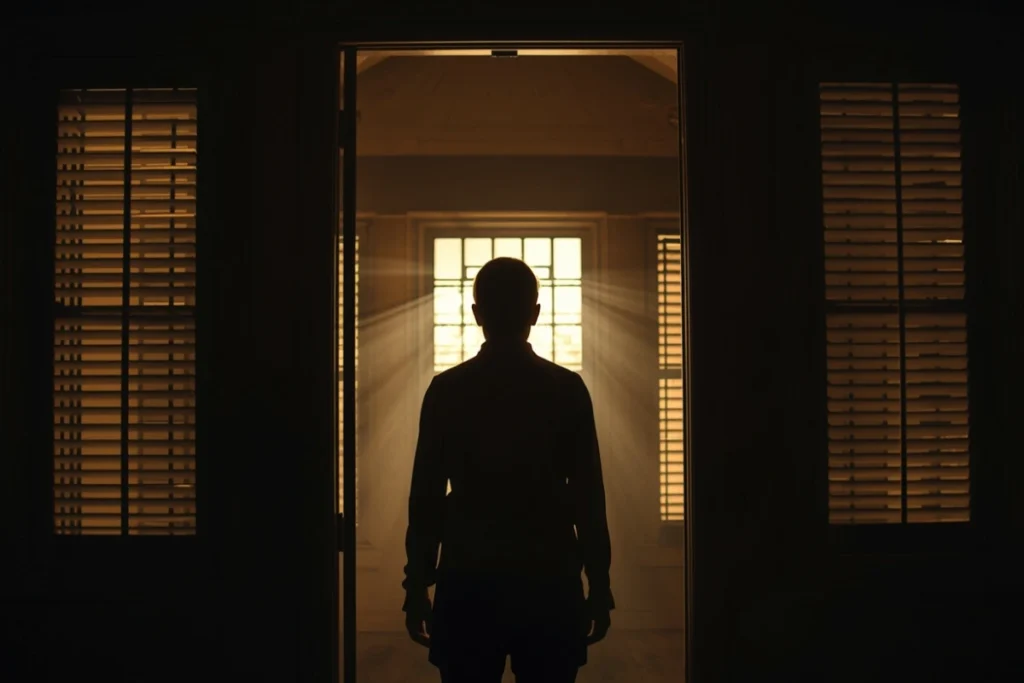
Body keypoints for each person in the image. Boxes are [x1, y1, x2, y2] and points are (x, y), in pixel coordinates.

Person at [402, 257, 614, 683]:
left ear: (476, 313)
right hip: (549, 578)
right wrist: (599, 585)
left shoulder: (447, 391)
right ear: (535, 313)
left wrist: (418, 585)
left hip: (468, 578)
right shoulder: (566, 389)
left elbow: (426, 498)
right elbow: (588, 498)